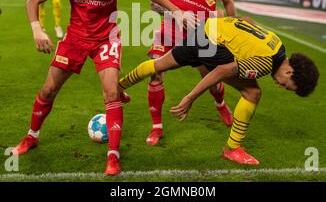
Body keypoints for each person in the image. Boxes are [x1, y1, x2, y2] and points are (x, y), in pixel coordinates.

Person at [12, 0, 193, 176]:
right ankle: (31, 137)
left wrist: (177, 11)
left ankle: (113, 156)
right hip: (75, 39)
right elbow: (32, 1)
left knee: (110, 94)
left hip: (107, 39)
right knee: (48, 90)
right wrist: (37, 30)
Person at [118, 15, 319, 165]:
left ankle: (118, 87)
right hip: (210, 44)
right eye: (287, 86)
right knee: (252, 93)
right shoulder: (266, 64)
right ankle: (232, 148)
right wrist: (190, 97)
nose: (282, 86)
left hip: (207, 29)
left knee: (160, 64)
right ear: (291, 71)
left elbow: (247, 21)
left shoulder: (278, 44)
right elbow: (222, 70)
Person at [144, 0, 237, 146]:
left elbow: (229, 3)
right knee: (155, 73)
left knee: (211, 80)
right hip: (170, 30)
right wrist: (177, 12)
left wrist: (228, 26)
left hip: (202, 36)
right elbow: (154, 3)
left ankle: (221, 103)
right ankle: (156, 127)